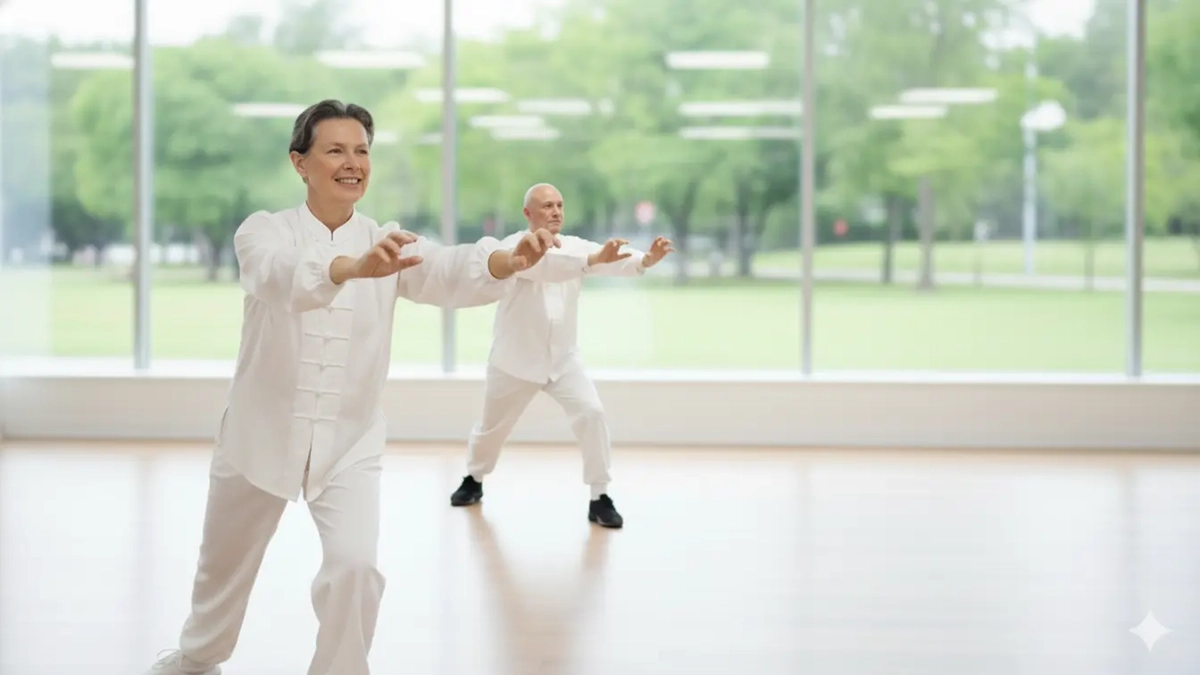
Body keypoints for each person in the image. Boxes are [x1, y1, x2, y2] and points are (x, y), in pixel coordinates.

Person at [144, 100, 572, 675]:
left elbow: (447, 271)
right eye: (336, 150)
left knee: (356, 569)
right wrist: (349, 269)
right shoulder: (263, 230)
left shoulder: (389, 240)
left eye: (363, 151)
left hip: (349, 443)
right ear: (300, 162)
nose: (353, 163)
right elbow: (276, 277)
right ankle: (197, 660)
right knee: (221, 570)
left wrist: (506, 259)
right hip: (258, 434)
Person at [448, 183, 674, 528]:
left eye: (559, 205)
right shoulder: (512, 247)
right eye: (547, 206)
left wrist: (645, 260)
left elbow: (609, 260)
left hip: (563, 360)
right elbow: (549, 267)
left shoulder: (577, 247)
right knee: (492, 428)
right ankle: (474, 479)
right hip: (514, 361)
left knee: (592, 413)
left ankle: (600, 496)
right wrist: (592, 260)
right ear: (528, 214)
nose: (555, 211)